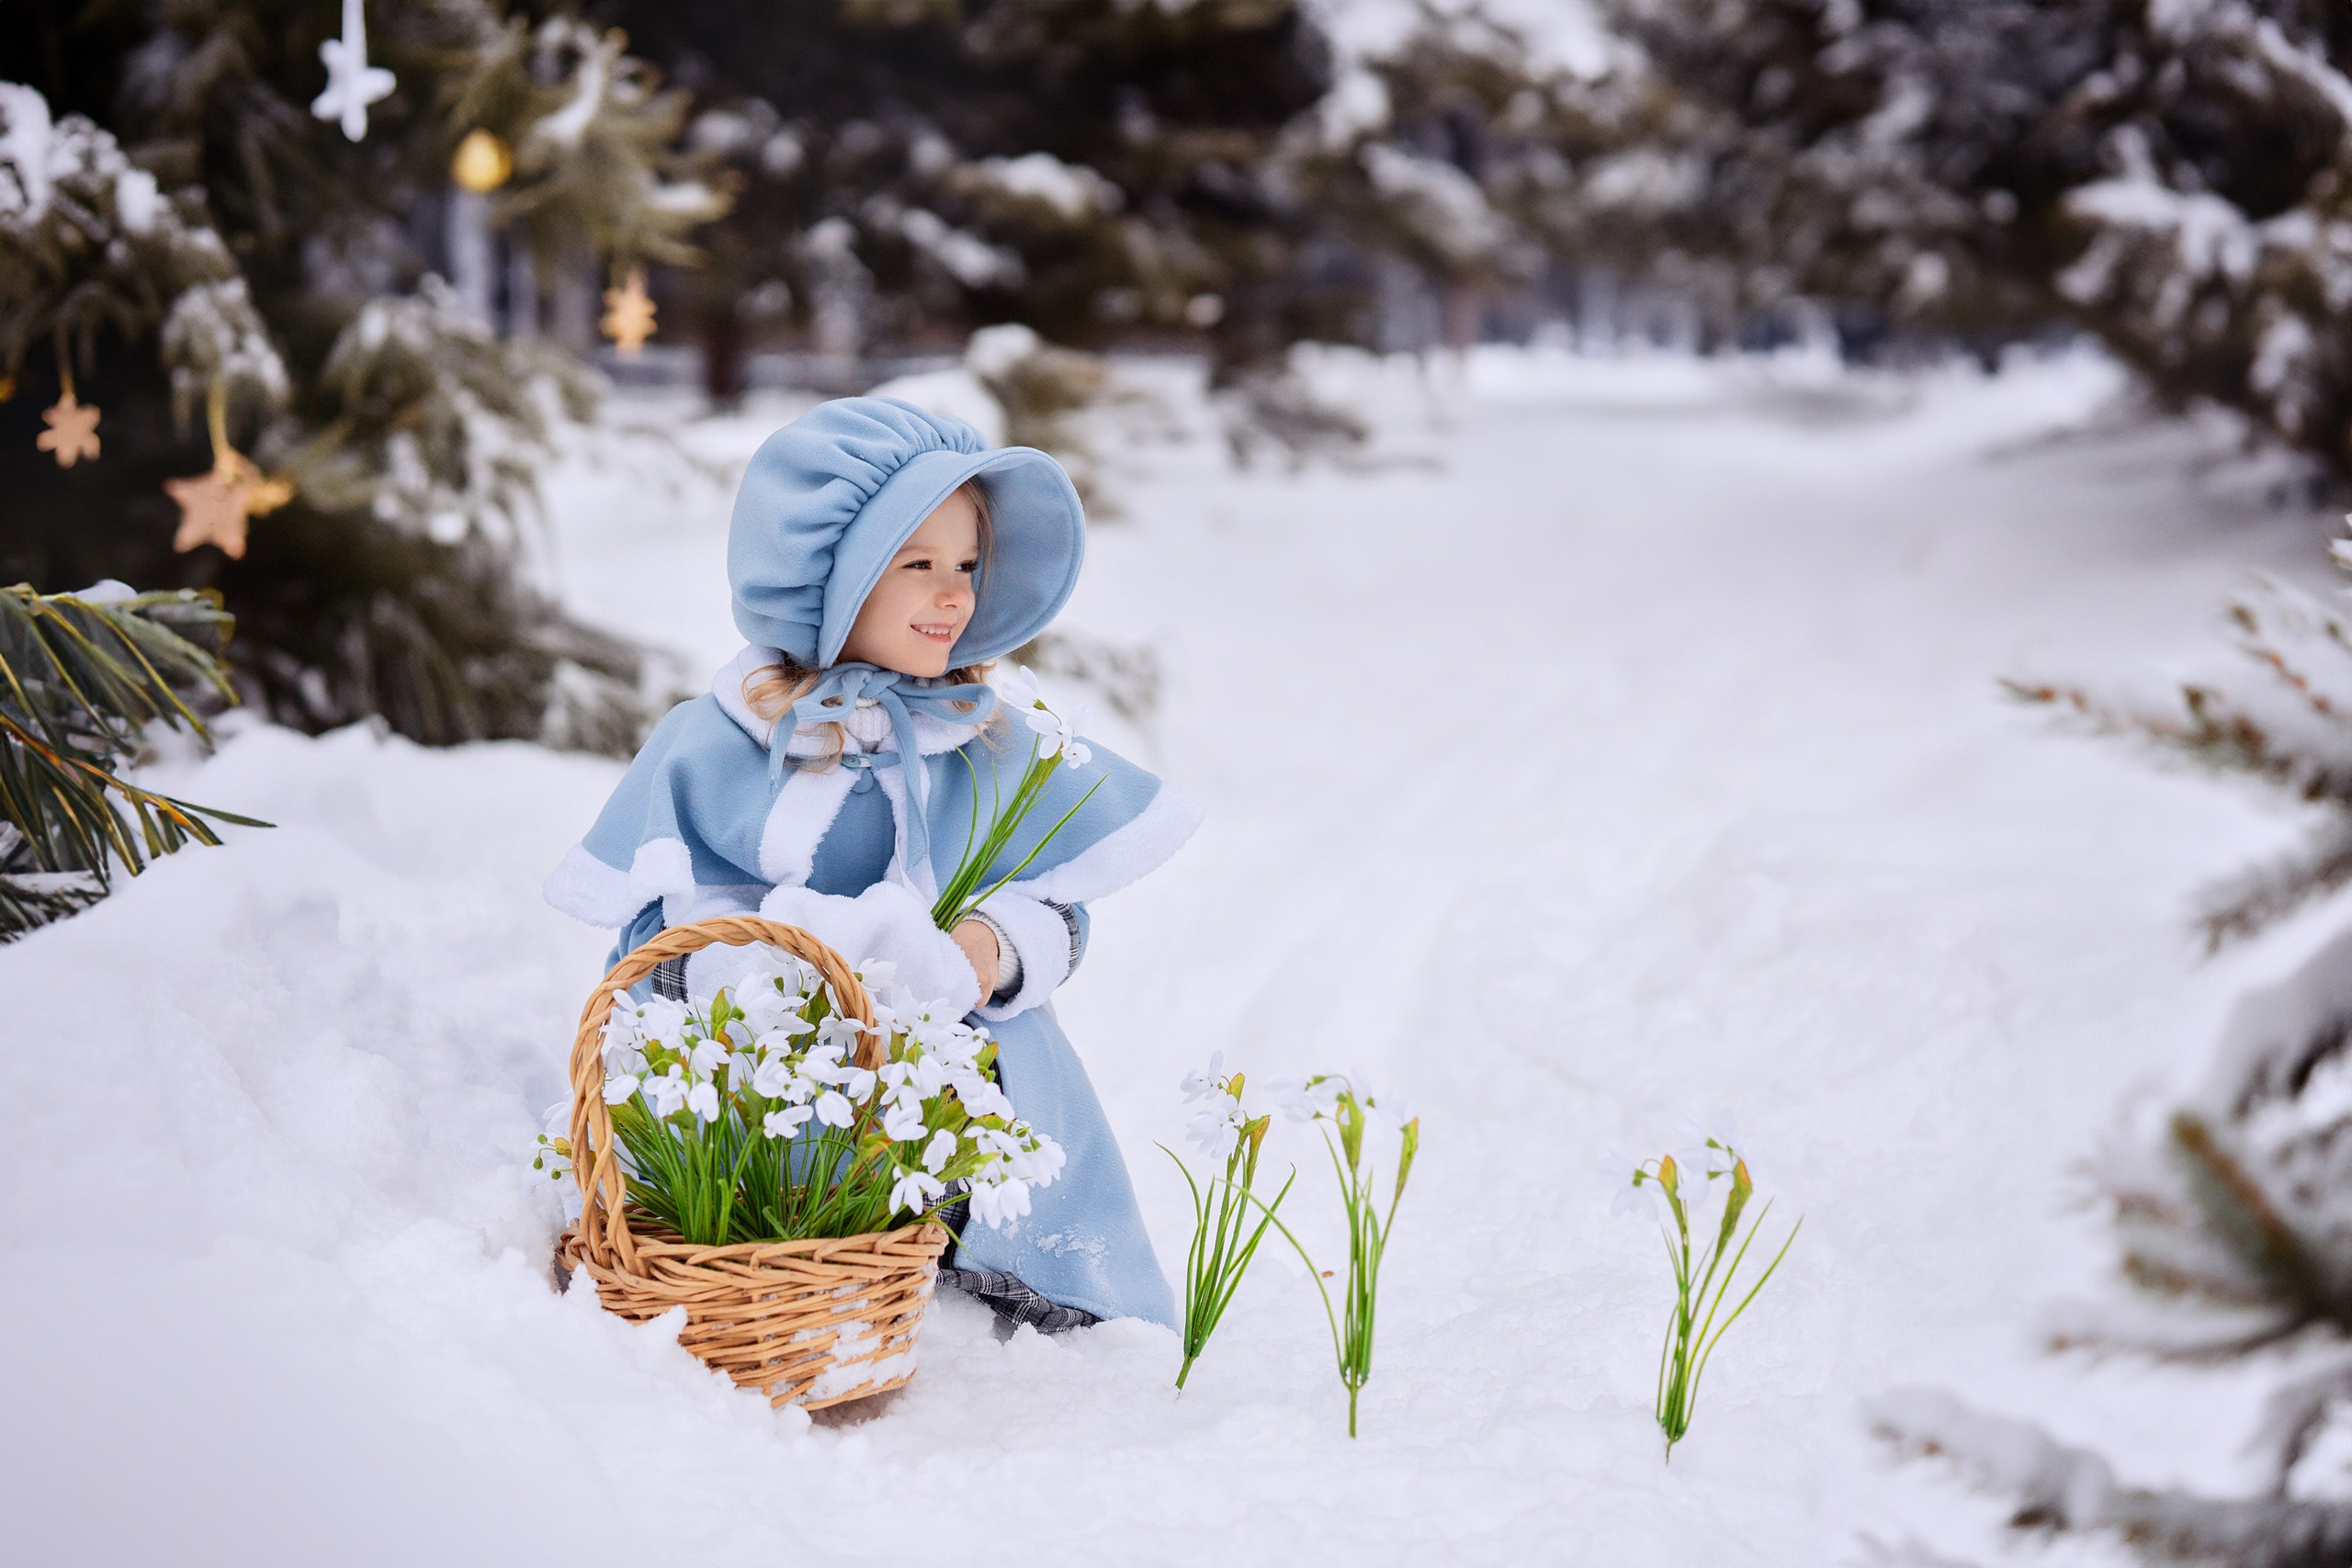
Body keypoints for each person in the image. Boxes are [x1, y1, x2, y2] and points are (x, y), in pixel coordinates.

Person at [543, 396, 1197, 1332]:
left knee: (1013, 1060)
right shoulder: (717, 745)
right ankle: (771, 1264)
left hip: (943, 1037)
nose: (954, 595)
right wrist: (779, 971)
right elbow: (656, 937)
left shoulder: (984, 738)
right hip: (762, 1049)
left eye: (967, 566)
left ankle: (995, 1244)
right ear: (827, 582)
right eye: (918, 565)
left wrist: (993, 950)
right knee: (743, 1112)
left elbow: (1060, 910)